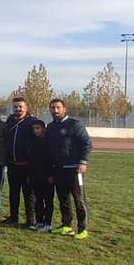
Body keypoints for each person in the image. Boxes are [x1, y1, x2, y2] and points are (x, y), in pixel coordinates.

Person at [47, 98, 92, 238]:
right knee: (63, 199)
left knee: (79, 199)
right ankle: (66, 225)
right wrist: (52, 171)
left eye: (58, 107)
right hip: (58, 170)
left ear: (64, 109)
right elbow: (50, 150)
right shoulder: (51, 127)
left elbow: (86, 143)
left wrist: (83, 162)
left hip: (74, 169)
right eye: (53, 108)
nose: (55, 110)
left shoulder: (74, 124)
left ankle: (83, 228)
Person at [4, 95, 36, 227]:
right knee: (13, 193)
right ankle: (14, 217)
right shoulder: (10, 120)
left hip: (27, 165)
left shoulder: (32, 122)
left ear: (26, 107)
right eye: (15, 107)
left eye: (20, 106)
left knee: (29, 194)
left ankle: (31, 220)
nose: (17, 109)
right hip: (12, 164)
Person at [27, 119, 54, 232]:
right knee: (38, 200)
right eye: (33, 129)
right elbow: (30, 159)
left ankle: (47, 223)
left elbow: (52, 159)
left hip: (47, 176)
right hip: (35, 175)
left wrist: (52, 174)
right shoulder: (32, 142)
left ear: (43, 129)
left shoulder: (49, 142)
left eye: (37, 128)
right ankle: (39, 221)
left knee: (48, 200)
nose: (35, 131)